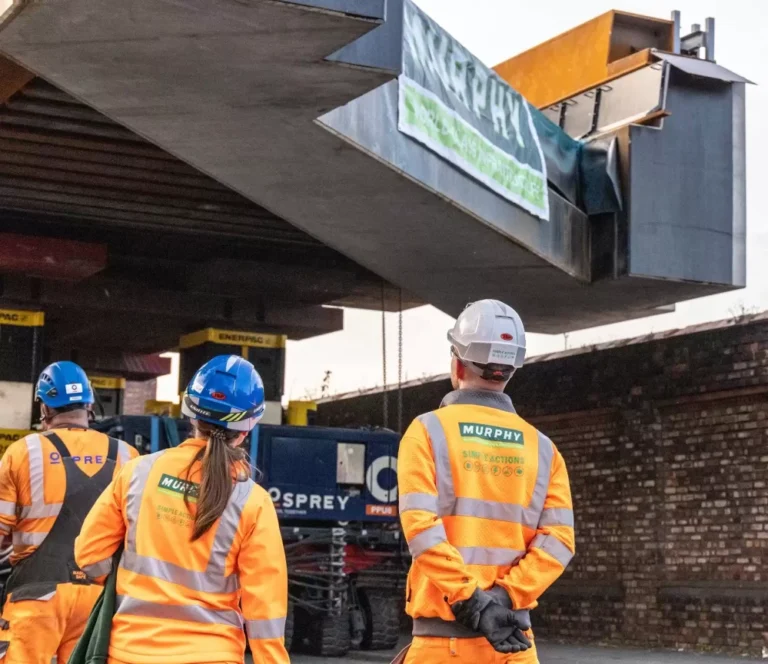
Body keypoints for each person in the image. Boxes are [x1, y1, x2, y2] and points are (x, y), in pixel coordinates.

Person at [74, 355, 289, 664]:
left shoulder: (138, 472)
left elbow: (89, 555)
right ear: (248, 425)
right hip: (212, 656)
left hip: (129, 652)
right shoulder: (252, 501)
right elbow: (265, 609)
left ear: (191, 414)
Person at [398, 300, 575, 664]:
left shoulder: (427, 432)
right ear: (510, 371)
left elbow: (421, 530)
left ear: (457, 362)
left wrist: (474, 603)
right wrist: (506, 599)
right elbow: (559, 543)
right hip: (515, 646)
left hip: (442, 646)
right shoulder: (543, 449)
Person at [0, 361, 138, 664]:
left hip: (36, 596)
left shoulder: (24, 452)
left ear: (44, 408)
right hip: (99, 600)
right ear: (89, 404)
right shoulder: (128, 457)